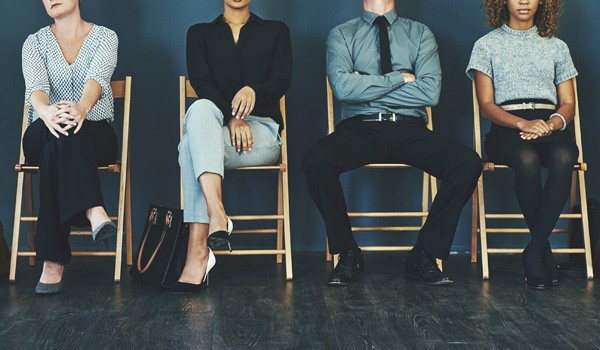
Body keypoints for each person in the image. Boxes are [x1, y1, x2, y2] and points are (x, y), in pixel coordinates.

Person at [303, 0, 482, 286]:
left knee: (468, 162)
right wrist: (400, 78)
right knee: (315, 162)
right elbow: (343, 88)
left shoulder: (420, 33)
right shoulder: (341, 33)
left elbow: (429, 93)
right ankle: (347, 252)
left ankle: (424, 254)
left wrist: (366, 86)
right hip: (360, 128)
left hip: (409, 128)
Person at [173, 0, 292, 294]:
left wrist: (255, 90)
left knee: (190, 147)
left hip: (261, 132)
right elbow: (201, 83)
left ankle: (197, 253)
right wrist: (230, 117)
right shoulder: (199, 33)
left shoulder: (276, 31)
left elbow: (281, 80)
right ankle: (217, 215)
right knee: (200, 107)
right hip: (215, 125)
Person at [467, 0, 578, 289]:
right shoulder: (486, 45)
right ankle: (543, 252)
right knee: (527, 159)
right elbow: (486, 105)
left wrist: (550, 124)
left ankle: (534, 249)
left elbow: (567, 104)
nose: (524, 1)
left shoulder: (557, 46)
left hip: (549, 124)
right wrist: (521, 123)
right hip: (506, 128)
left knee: (566, 154)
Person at [21, 0, 119, 294]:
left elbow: (97, 80)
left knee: (60, 146)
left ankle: (52, 262)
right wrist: (46, 111)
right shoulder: (34, 42)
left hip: (94, 133)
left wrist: (81, 108)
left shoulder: (105, 37)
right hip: (43, 129)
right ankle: (93, 209)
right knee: (58, 132)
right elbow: (36, 87)